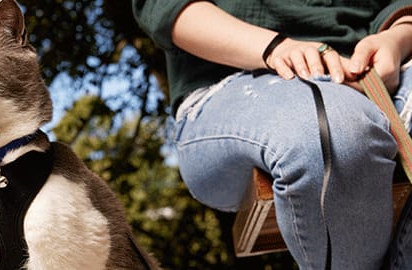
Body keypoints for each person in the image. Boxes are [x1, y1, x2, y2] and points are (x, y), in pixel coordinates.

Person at [133, 1, 412, 269]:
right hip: (233, 80)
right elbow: (164, 7)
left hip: (377, 70)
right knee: (335, 133)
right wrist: (276, 48)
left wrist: (397, 37)